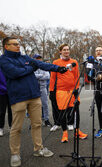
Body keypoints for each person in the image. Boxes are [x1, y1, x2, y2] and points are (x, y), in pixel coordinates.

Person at [0, 37, 67, 167]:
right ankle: (15, 154)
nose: (18, 46)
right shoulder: (3, 60)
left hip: (34, 96)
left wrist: (57, 68)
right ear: (6, 46)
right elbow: (15, 73)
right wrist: (31, 69)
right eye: (14, 44)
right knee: (16, 128)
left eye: (18, 44)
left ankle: (38, 149)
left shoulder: (25, 58)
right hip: (18, 97)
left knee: (37, 124)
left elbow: (41, 64)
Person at [49, 43, 88, 143]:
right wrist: (51, 91)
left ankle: (77, 131)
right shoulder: (56, 62)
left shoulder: (74, 62)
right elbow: (53, 78)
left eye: (68, 49)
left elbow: (76, 76)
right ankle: (64, 133)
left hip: (72, 91)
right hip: (61, 91)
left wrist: (76, 89)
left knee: (76, 111)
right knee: (62, 112)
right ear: (60, 51)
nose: (67, 51)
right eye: (64, 50)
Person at [33, 54, 52, 127]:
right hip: (34, 88)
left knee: (45, 104)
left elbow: (48, 76)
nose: (38, 60)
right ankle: (34, 121)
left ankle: (46, 120)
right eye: (37, 58)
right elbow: (32, 76)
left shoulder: (44, 67)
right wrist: (42, 76)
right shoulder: (31, 67)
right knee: (34, 106)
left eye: (39, 58)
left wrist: (38, 76)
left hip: (43, 87)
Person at [0, 68, 12, 136]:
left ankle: (11, 127)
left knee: (11, 110)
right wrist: (5, 89)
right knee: (2, 111)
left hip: (10, 93)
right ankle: (1, 127)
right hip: (2, 93)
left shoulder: (9, 68)